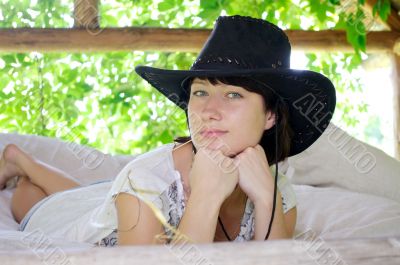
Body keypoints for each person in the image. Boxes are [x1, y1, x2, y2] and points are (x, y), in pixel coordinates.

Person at [0, 15, 335, 246]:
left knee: (99, 195)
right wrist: (204, 196)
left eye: (234, 94)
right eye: (200, 92)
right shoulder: (146, 180)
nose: (208, 111)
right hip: (67, 217)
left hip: (117, 199)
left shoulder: (276, 187)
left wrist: (266, 199)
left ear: (271, 115)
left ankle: (24, 163)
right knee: (35, 200)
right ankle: (22, 165)